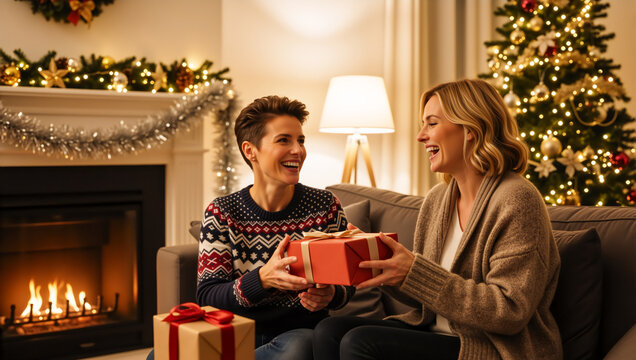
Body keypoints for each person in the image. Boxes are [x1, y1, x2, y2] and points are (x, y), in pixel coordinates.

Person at [313, 79, 562, 360]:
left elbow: (509, 311)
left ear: (470, 128)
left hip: (490, 348)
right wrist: (379, 263)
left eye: (431, 124)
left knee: (361, 342)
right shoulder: (437, 199)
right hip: (435, 334)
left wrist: (414, 273)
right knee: (328, 330)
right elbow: (426, 297)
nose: (420, 136)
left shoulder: (517, 199)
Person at [197, 95, 353, 360]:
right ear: (250, 151)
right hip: (237, 333)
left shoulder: (325, 206)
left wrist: (331, 294)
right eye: (284, 140)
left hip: (299, 334)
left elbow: (347, 284)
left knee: (300, 347)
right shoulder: (222, 212)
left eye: (301, 140)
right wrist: (261, 279)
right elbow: (207, 296)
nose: (298, 150)